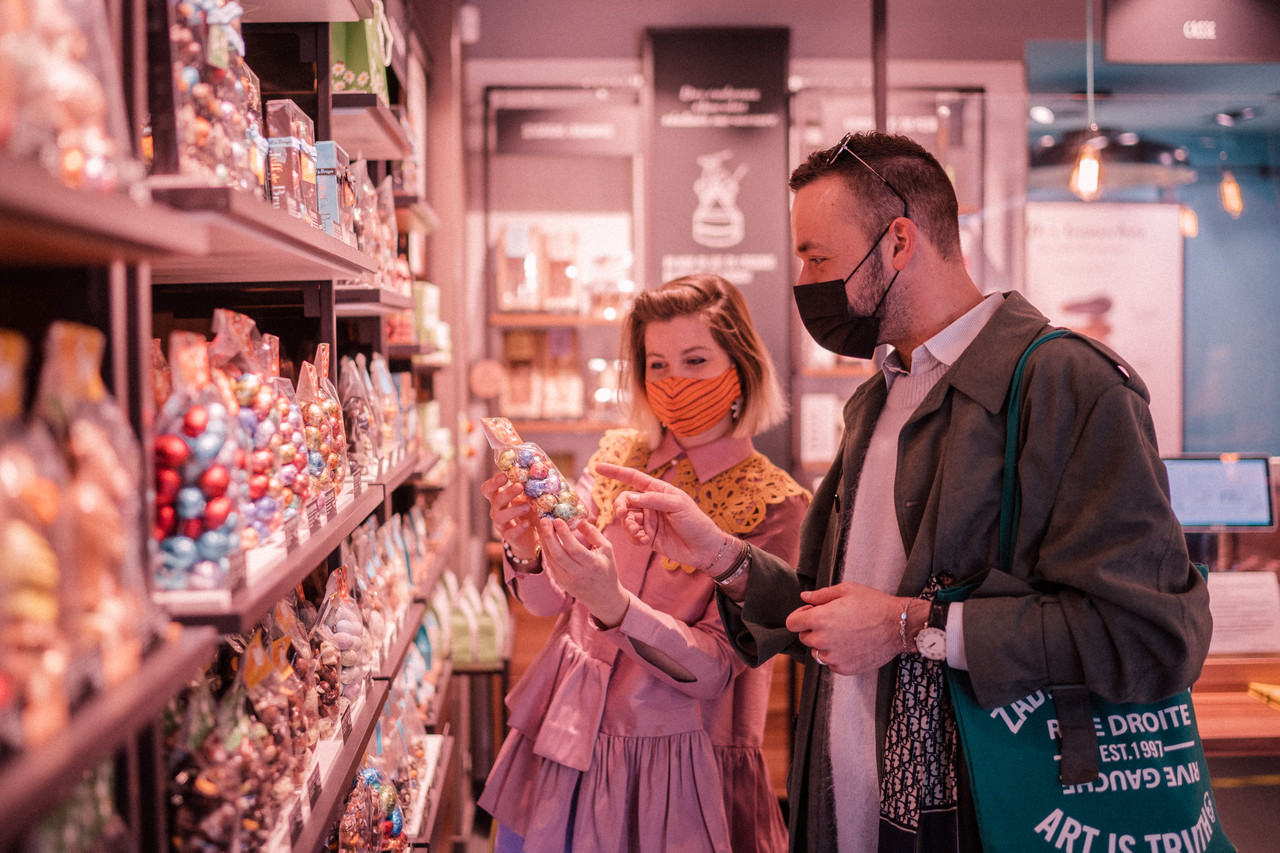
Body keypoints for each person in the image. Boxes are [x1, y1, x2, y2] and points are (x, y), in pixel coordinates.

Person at [595, 132, 1213, 853]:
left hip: (998, 816)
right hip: (852, 816)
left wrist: (911, 625)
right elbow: (831, 613)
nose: (803, 280)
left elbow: (1155, 637)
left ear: (897, 243)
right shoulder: (879, 399)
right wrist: (722, 554)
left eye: (818, 258)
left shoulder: (1067, 386)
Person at [477, 273, 811, 853]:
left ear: (741, 367)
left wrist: (613, 606)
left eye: (696, 360)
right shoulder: (617, 456)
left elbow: (714, 668)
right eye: (656, 364)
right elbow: (550, 601)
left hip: (677, 772)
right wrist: (525, 550)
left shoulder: (775, 504)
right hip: (564, 742)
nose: (674, 382)